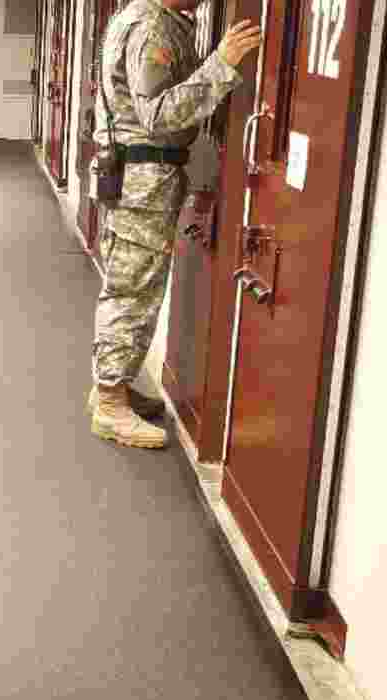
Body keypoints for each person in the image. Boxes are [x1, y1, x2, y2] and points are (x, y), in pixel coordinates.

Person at [88, 0, 262, 448]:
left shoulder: (142, 18)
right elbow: (159, 115)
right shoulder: (153, 28)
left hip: (136, 173)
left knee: (133, 284)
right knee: (134, 289)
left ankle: (114, 385)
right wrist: (220, 65)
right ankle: (110, 403)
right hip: (144, 178)